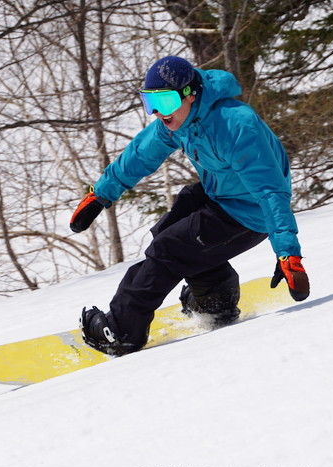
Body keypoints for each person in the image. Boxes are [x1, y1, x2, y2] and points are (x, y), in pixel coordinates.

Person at [70, 56, 309, 356]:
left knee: (168, 250)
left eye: (166, 101)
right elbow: (142, 154)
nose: (158, 112)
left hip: (250, 212)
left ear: (190, 94)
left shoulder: (235, 125)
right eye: (150, 102)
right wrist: (101, 193)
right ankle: (216, 301)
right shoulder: (180, 120)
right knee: (171, 228)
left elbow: (269, 191)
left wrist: (287, 251)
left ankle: (121, 331)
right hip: (220, 194)